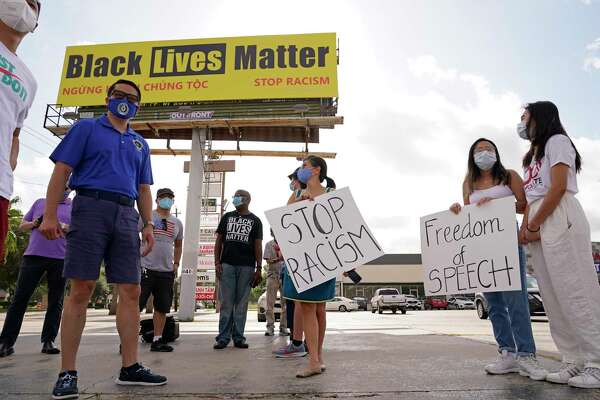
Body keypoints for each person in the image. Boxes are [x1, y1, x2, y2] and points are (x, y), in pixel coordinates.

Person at [40, 79, 167, 399]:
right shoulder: (86, 129)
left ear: (139, 105)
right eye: (119, 96)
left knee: (132, 289)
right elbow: (62, 171)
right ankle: (67, 372)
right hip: (90, 207)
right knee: (81, 287)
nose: (125, 101)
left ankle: (130, 367)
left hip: (127, 216)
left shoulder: (140, 143)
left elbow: (144, 189)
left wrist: (148, 223)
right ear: (107, 98)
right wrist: (51, 215)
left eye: (132, 99)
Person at [449, 138, 546, 380]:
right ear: (472, 156)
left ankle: (527, 355)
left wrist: (499, 204)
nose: (484, 153)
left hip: (507, 241)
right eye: (479, 150)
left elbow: (526, 205)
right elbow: (468, 214)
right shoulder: (468, 182)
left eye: (489, 149)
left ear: (496, 153)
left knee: (516, 300)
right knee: (494, 304)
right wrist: (457, 211)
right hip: (482, 246)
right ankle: (507, 353)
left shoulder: (509, 176)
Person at [519, 101, 600, 389]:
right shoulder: (531, 156)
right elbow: (531, 196)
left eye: (525, 118)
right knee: (552, 295)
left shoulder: (558, 141)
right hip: (539, 219)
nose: (522, 123)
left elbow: (558, 187)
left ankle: (596, 361)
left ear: (540, 118)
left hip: (558, 215)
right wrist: (525, 228)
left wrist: (534, 223)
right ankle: (572, 358)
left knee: (575, 288)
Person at [281, 156, 336, 378]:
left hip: (323, 258)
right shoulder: (295, 195)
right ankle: (315, 358)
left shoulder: (332, 194)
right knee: (307, 307)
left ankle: (316, 358)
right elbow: (284, 222)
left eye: (304, 166)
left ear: (316, 169)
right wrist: (300, 202)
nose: (300, 170)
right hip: (301, 259)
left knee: (318, 309)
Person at [0, 187, 71, 357]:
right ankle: (5, 342)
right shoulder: (40, 203)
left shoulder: (73, 207)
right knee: (19, 299)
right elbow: (22, 226)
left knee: (56, 301)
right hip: (33, 256)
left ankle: (48, 341)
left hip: (60, 258)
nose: (63, 189)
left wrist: (60, 225)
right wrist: (34, 223)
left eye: (67, 187)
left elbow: (77, 229)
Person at [0, 0, 39, 262]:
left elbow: (15, 134)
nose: (26, 4)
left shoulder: (30, 80)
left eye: (34, 4)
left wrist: (7, 169)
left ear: (36, 23)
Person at [213, 189, 263, 349]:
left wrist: (259, 267)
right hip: (227, 264)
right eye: (234, 196)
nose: (234, 198)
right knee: (226, 302)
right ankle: (223, 337)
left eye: (237, 196)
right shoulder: (227, 217)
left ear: (247, 199)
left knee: (241, 304)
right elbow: (219, 241)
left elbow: (258, 245)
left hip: (247, 266)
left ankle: (239, 337)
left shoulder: (256, 221)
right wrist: (217, 263)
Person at [138, 188, 183, 352]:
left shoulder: (177, 223)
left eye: (170, 197)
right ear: (156, 200)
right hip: (145, 267)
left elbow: (178, 244)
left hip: (166, 271)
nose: (167, 200)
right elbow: (132, 234)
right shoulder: (147, 217)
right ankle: (127, 340)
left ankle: (158, 339)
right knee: (136, 305)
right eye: (163, 197)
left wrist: (176, 263)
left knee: (162, 307)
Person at [263, 229, 288, 336]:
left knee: (285, 304)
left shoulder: (287, 243)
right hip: (272, 275)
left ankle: (283, 327)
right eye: (273, 231)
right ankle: (270, 327)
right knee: (269, 304)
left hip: (285, 276)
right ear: (271, 233)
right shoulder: (269, 244)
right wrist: (279, 259)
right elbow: (268, 260)